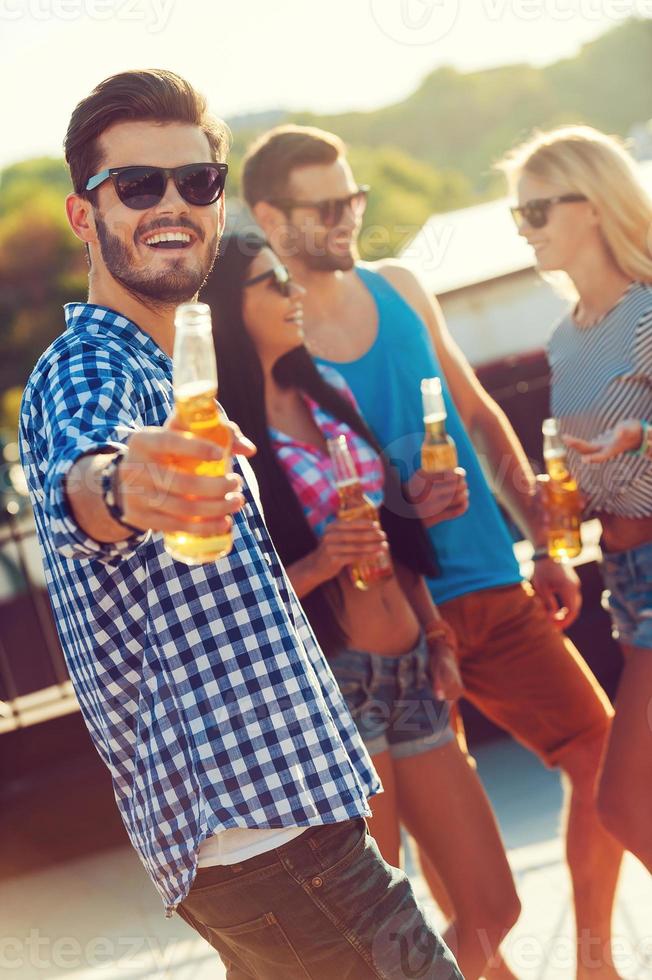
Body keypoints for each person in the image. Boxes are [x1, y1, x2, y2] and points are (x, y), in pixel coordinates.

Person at [18, 70, 463, 979]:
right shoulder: (89, 367)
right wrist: (124, 486)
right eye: (138, 185)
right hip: (264, 832)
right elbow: (87, 476)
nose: (172, 203)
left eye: (197, 181)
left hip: (264, 833)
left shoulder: (174, 366)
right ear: (82, 215)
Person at [241, 123, 622, 979]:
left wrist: (543, 539)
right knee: (437, 846)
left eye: (355, 199)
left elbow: (480, 414)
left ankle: (596, 960)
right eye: (326, 205)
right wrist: (399, 509)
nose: (347, 218)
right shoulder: (282, 344)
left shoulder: (401, 285)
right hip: (393, 616)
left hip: (490, 575)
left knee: (599, 753)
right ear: (270, 214)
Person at [201, 233, 521, 979]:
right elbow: (228, 593)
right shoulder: (224, 433)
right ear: (225, 310)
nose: (294, 292)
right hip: (337, 694)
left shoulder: (326, 393)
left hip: (411, 669)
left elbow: (383, 532)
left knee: (493, 904)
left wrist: (433, 612)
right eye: (272, 283)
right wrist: (319, 562)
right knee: (373, 940)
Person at [500, 124, 652, 874]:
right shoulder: (565, 338)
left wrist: (643, 444)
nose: (523, 230)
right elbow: (591, 469)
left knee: (625, 803)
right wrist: (562, 498)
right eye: (516, 216)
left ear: (591, 205)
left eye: (535, 211)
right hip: (624, 584)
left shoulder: (648, 312)